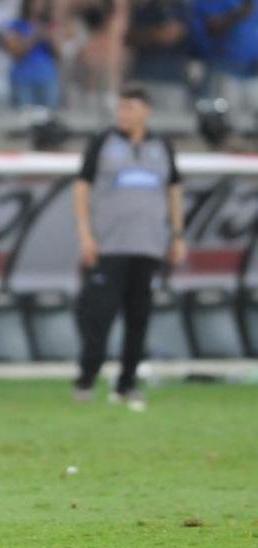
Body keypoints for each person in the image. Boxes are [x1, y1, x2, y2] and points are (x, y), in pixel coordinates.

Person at [73, 85, 185, 411]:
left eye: (130, 108)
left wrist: (177, 235)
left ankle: (127, 383)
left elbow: (174, 190)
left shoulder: (162, 147)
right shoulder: (102, 143)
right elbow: (82, 188)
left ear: (146, 111)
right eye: (121, 108)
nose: (123, 115)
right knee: (99, 314)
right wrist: (86, 234)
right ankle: (87, 377)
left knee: (139, 316)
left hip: (148, 245)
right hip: (109, 245)